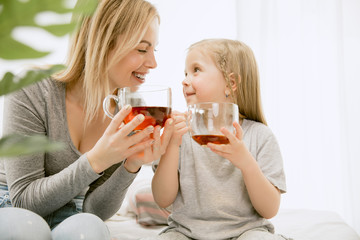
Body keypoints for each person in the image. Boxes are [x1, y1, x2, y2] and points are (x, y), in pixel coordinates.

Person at [0, 0, 174, 239]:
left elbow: (95, 210)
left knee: (90, 228)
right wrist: (97, 159)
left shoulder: (125, 110)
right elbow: (24, 200)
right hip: (11, 206)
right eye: (142, 49)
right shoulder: (33, 89)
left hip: (71, 210)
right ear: (102, 43)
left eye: (154, 50)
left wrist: (130, 165)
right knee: (28, 229)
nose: (153, 63)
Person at [147, 39, 290, 240]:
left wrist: (246, 162)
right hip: (186, 233)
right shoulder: (180, 134)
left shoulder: (260, 136)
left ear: (231, 84)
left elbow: (269, 209)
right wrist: (172, 145)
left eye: (196, 70)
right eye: (185, 73)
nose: (185, 80)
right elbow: (162, 199)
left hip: (246, 233)